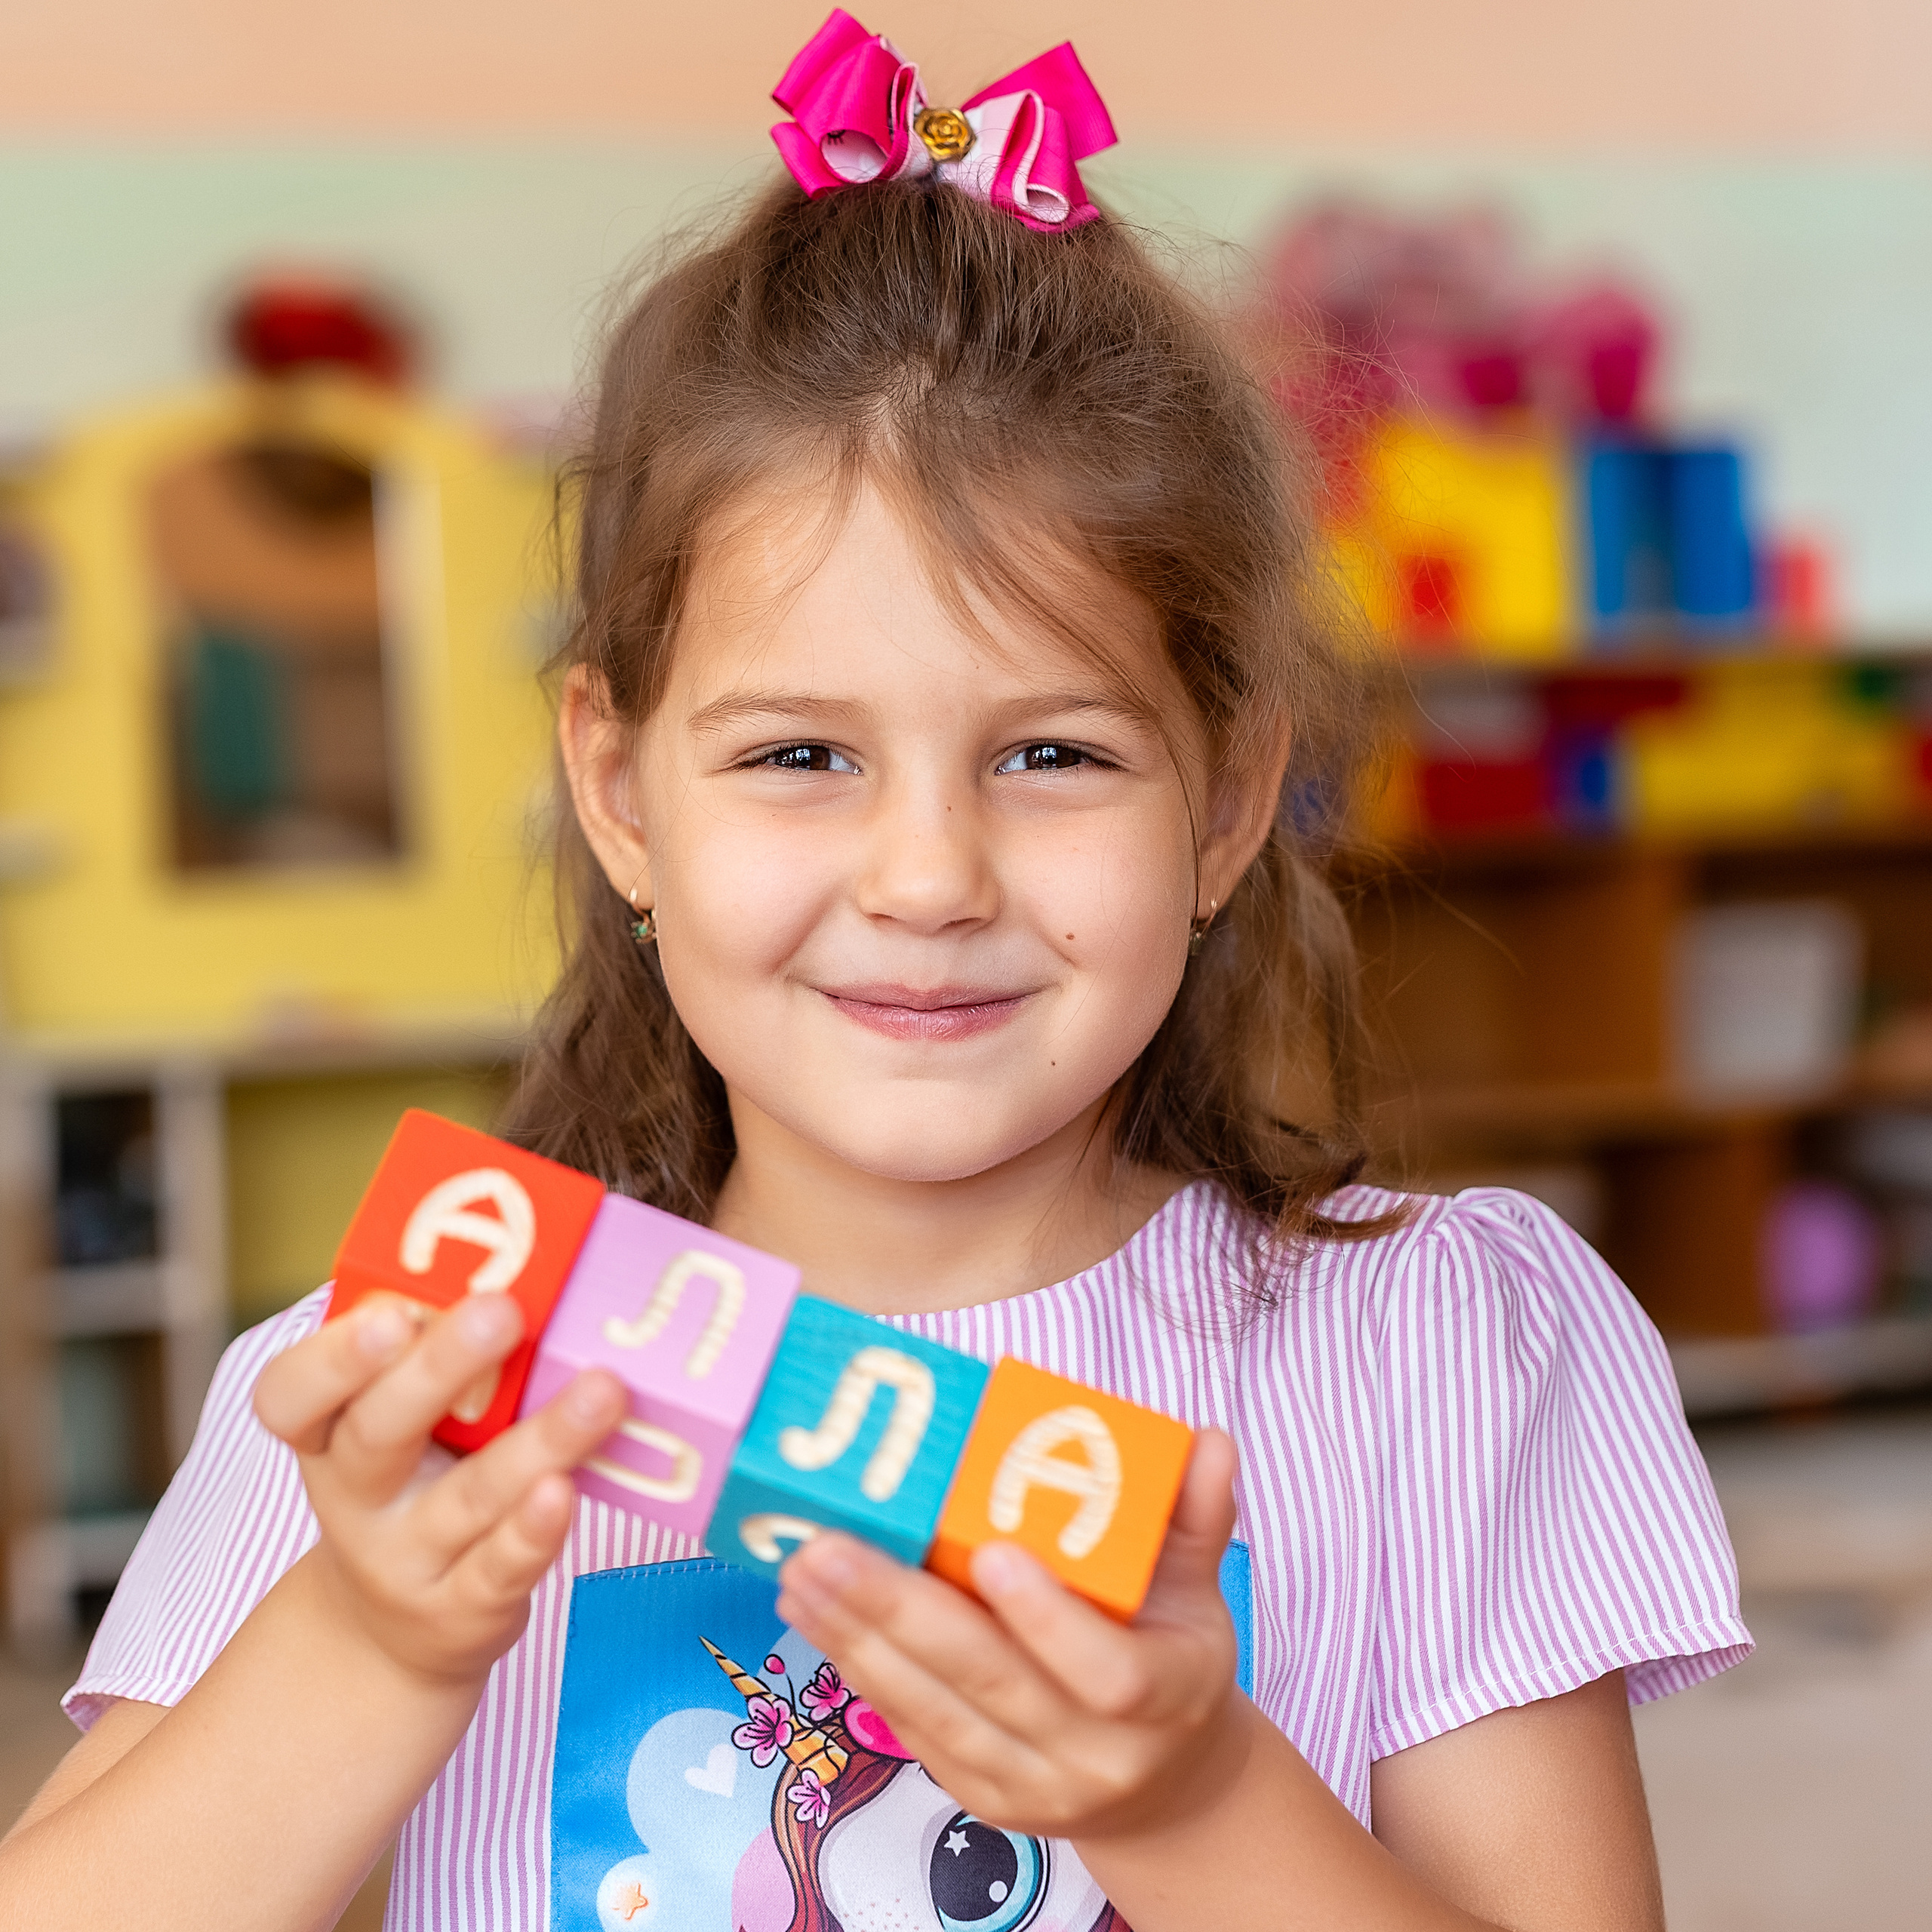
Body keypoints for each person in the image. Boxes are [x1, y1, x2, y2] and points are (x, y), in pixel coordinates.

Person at [0, 14, 1747, 1930]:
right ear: (620, 791)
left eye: (1051, 752)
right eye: (800, 755)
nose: (927, 877)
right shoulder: (395, 1395)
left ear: (1230, 798)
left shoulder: (1428, 1357)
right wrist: (371, 1635)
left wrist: (1187, 1791)